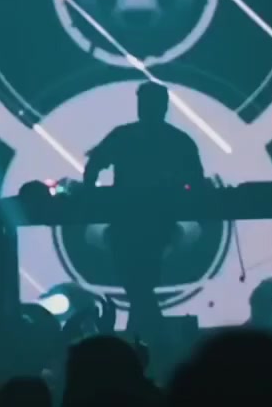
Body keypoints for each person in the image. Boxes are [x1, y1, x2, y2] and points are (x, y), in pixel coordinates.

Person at [83, 82, 204, 334]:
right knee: (140, 283)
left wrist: (89, 193)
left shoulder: (124, 136)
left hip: (132, 222)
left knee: (136, 283)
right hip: (153, 223)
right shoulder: (178, 141)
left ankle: (146, 333)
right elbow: (197, 182)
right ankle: (149, 332)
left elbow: (94, 164)